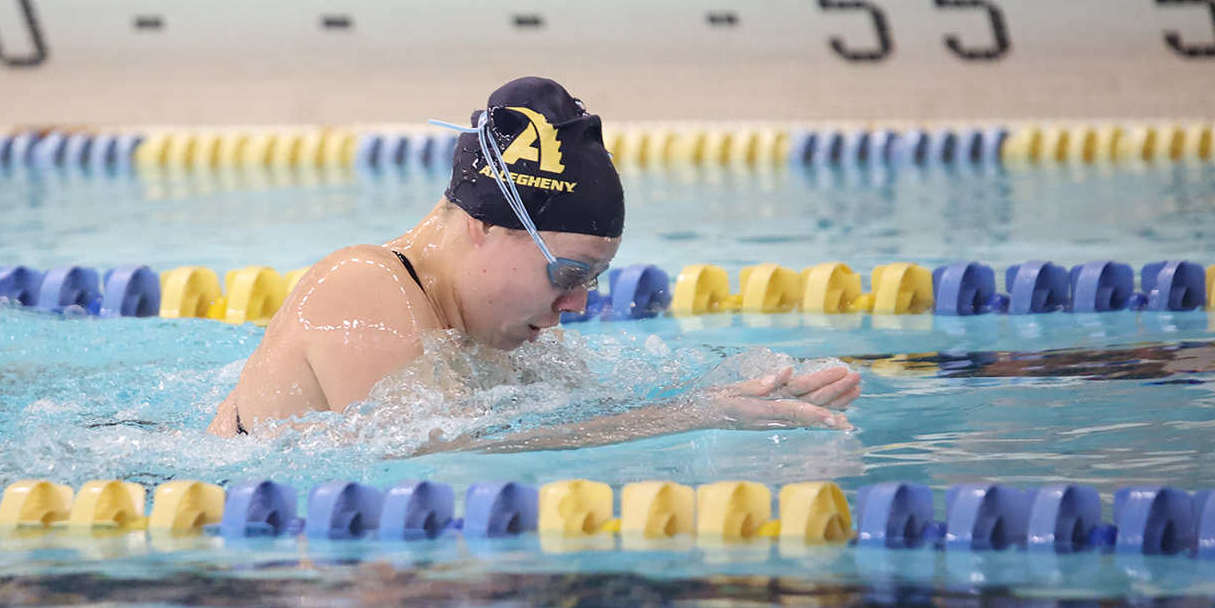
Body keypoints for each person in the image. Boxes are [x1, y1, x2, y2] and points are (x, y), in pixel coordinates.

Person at [208, 76, 862, 450]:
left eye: (592, 282)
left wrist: (735, 395)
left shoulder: (477, 334)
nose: (576, 306)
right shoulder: (363, 285)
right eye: (568, 274)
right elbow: (445, 458)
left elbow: (571, 416)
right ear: (488, 224)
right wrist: (692, 417)